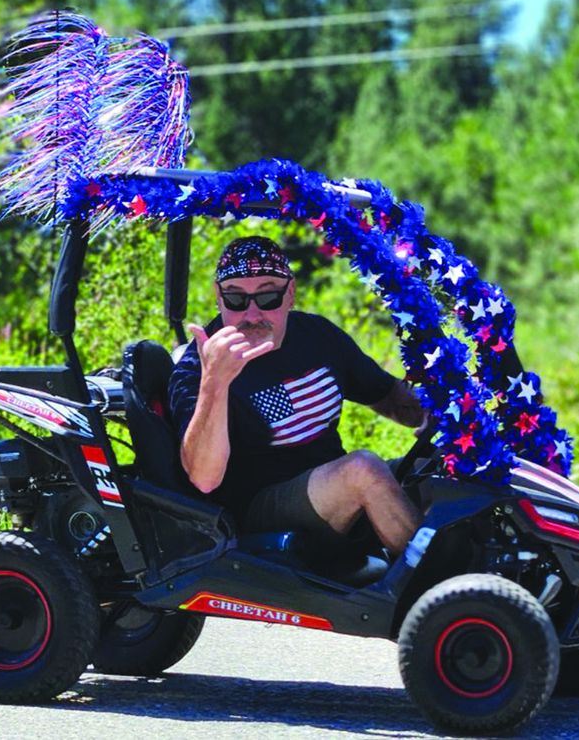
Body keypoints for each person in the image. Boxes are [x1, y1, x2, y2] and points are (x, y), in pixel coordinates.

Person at [168, 235, 430, 558]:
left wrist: (439, 416)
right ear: (219, 298)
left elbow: (388, 395)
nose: (251, 314)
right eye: (236, 299)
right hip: (257, 510)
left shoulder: (315, 335)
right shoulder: (200, 368)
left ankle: (485, 565)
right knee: (365, 471)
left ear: (290, 294)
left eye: (267, 297)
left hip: (330, 488)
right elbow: (204, 478)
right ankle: (447, 591)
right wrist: (215, 385)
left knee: (436, 467)